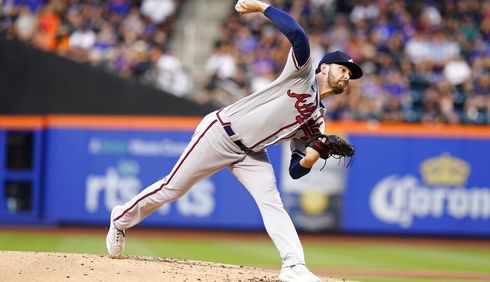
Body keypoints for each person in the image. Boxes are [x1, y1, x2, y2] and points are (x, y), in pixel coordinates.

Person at [106, 1, 363, 281]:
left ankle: (294, 267)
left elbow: (295, 170)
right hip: (221, 133)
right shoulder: (301, 76)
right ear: (325, 68)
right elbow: (298, 35)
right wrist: (262, 7)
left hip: (252, 154)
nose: (346, 76)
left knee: (271, 201)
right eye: (343, 69)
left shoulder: (317, 122)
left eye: (350, 75)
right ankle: (120, 219)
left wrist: (313, 155)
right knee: (172, 188)